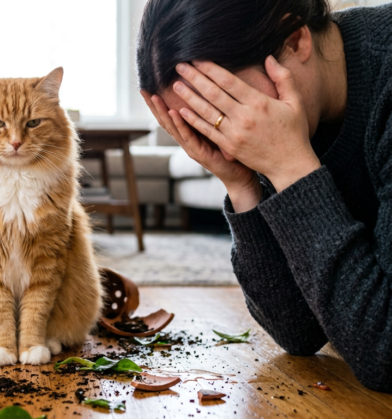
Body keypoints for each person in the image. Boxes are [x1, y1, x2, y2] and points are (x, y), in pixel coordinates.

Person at [136, 0, 392, 393]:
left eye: (227, 106)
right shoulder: (295, 111)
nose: (229, 137)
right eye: (200, 122)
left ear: (296, 40)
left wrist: (292, 167)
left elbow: (384, 353)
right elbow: (298, 331)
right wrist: (242, 185)